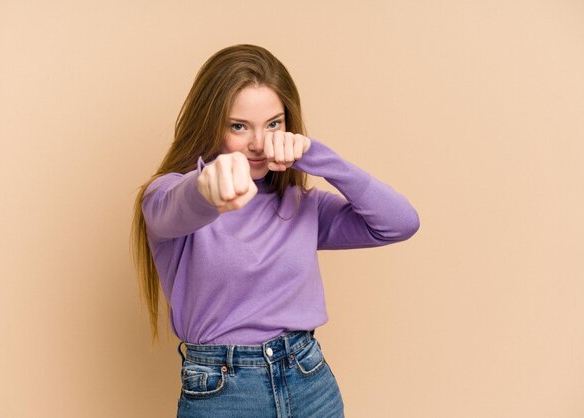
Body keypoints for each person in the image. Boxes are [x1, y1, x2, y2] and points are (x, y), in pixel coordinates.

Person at [130, 44, 420, 418]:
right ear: (210, 124)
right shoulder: (167, 194)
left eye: (273, 124)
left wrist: (316, 155)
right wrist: (207, 186)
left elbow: (400, 223)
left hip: (309, 379)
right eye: (238, 126)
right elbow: (177, 206)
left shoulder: (300, 205)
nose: (258, 144)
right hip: (224, 392)